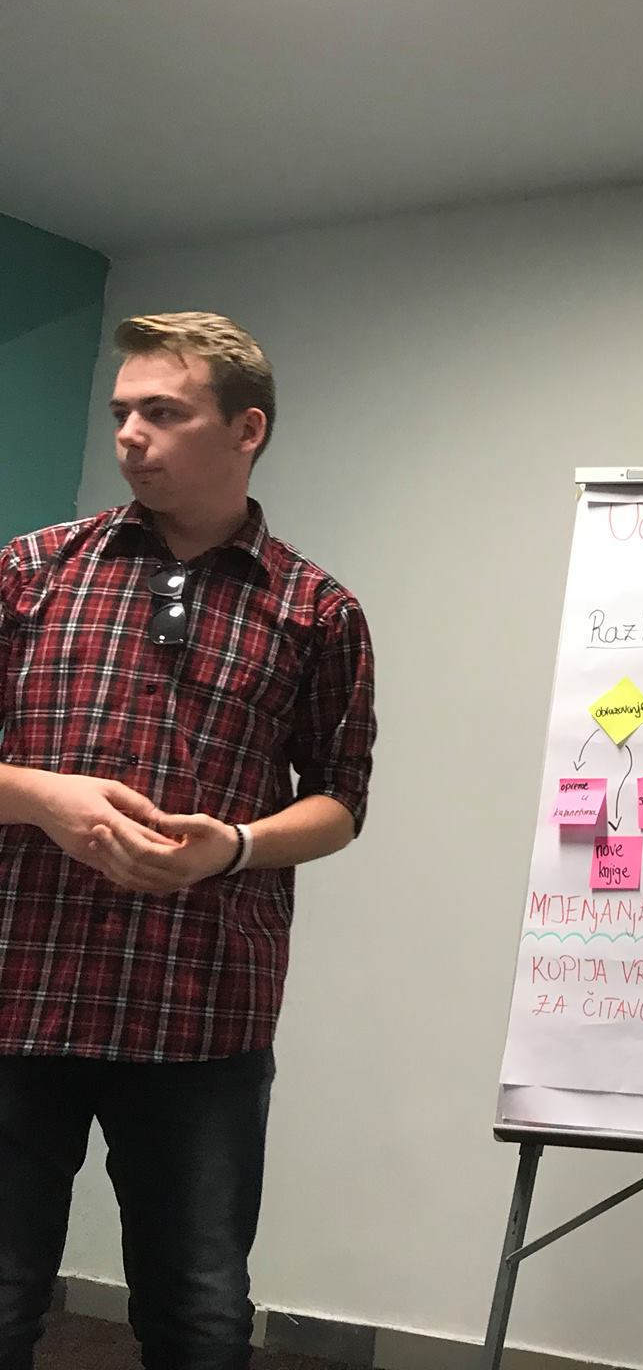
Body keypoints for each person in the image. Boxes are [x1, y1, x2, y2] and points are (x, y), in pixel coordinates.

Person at [0, 312, 377, 1370]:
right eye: (122, 412)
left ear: (246, 428)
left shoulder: (316, 612)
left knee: (200, 1316)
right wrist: (39, 795)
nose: (130, 434)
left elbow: (341, 802)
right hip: (19, 986)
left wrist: (235, 846)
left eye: (163, 412)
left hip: (201, 1007)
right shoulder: (30, 573)